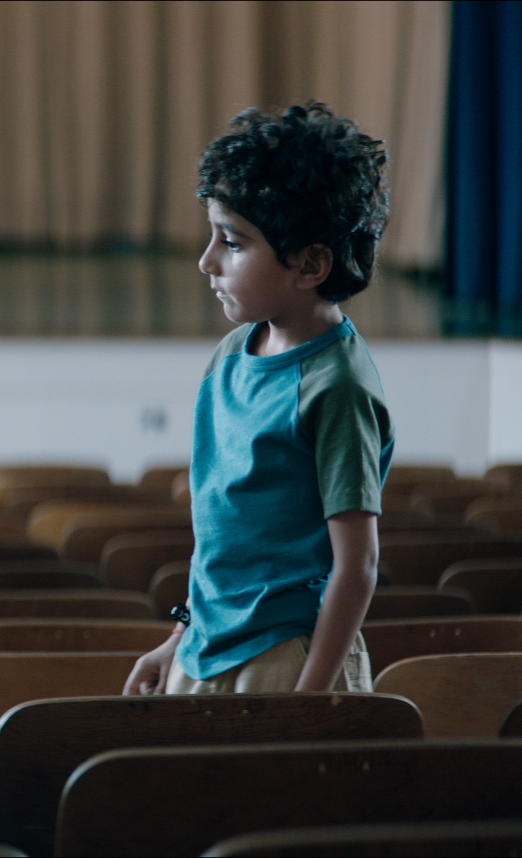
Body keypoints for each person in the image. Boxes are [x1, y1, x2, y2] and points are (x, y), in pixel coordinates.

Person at [125, 102, 393, 695]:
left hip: (289, 662)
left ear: (312, 263)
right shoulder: (228, 357)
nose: (207, 261)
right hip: (206, 653)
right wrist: (178, 640)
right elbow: (224, 539)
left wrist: (311, 694)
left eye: (233, 242)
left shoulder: (337, 386)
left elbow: (357, 566)